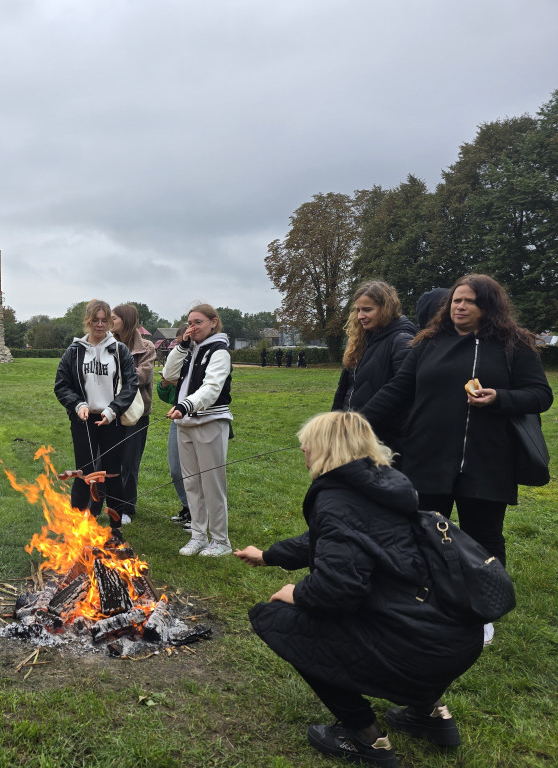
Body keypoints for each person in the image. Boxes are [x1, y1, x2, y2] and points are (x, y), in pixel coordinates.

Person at [236, 411, 483, 767]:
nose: (303, 450)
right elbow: (329, 538)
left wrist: (297, 593)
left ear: (324, 449)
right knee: (391, 612)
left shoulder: (336, 500)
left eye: (307, 444)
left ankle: (366, 737)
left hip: (418, 647)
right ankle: (430, 714)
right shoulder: (387, 485)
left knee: (279, 617)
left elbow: (338, 588)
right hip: (454, 637)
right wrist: (269, 555)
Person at [362, 274, 552, 644]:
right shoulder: (428, 343)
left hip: (487, 461)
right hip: (428, 456)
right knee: (423, 534)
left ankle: (483, 612)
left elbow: (540, 394)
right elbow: (397, 390)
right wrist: (353, 424)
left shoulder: (514, 345)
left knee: (484, 539)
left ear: (488, 306)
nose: (459, 307)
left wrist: (500, 398)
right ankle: (422, 603)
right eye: (455, 301)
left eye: (469, 301)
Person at [54, 299, 137, 530]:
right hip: (83, 420)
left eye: (104, 320)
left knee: (112, 475)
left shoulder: (119, 351)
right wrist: (78, 403)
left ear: (110, 322)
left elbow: (131, 384)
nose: (99, 325)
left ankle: (115, 529)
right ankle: (77, 528)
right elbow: (61, 385)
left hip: (111, 419)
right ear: (87, 321)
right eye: (95, 320)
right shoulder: (74, 351)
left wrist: (113, 410)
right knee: (84, 472)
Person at [162, 304, 234, 556]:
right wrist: (181, 345)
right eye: (189, 322)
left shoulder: (220, 351)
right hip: (185, 422)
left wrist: (187, 404)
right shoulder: (191, 349)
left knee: (212, 483)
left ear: (213, 322)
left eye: (198, 322)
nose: (192, 327)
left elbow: (213, 387)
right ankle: (198, 535)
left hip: (210, 421)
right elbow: (168, 374)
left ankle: (221, 540)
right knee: (191, 482)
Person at [332, 281, 417, 459]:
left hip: (382, 440)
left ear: (386, 308)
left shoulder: (402, 340)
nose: (361, 316)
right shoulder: (361, 340)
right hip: (352, 431)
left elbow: (404, 392)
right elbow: (347, 388)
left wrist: (365, 421)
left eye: (367, 310)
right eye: (358, 310)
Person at [110, 304, 155, 525]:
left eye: (114, 318)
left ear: (126, 321)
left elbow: (143, 376)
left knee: (129, 461)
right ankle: (111, 504)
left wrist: (116, 370)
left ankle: (127, 507)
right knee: (109, 459)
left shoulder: (145, 346)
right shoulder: (106, 343)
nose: (110, 322)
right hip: (110, 409)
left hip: (136, 413)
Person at [161, 323, 191, 529]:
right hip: (177, 418)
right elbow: (167, 383)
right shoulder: (179, 355)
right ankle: (187, 506)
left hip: (200, 419)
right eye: (180, 344)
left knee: (196, 472)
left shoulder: (209, 355)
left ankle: (198, 514)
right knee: (175, 470)